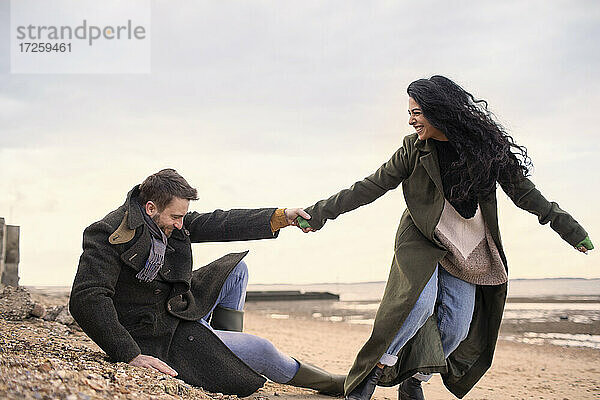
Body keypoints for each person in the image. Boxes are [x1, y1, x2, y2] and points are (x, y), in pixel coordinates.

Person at [295, 75, 594, 400]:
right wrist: (320, 213)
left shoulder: (487, 152)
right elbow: (369, 187)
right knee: (417, 304)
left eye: (417, 112)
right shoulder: (413, 149)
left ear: (441, 112)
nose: (410, 120)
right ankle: (375, 372)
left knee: (456, 326)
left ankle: (416, 380)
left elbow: (526, 194)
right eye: (410, 112)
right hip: (421, 239)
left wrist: (568, 228)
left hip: (465, 248)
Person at [69, 168, 344, 397]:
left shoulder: (167, 219)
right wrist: (128, 353)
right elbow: (87, 297)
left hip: (177, 307)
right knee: (263, 350)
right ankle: (331, 382)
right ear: (150, 207)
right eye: (176, 217)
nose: (180, 224)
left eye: (183, 216)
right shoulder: (108, 232)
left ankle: (225, 352)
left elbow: (220, 222)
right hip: (155, 333)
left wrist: (281, 217)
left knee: (236, 270)